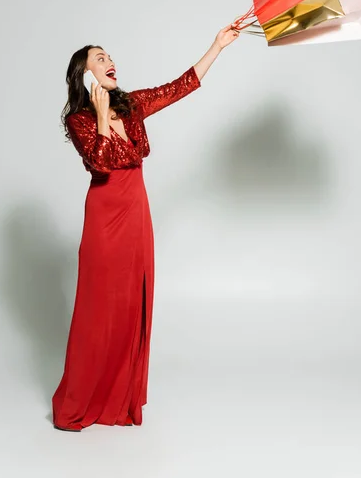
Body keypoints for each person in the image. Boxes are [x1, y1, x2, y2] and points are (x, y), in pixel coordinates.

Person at [51, 23, 240, 431]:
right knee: (98, 307)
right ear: (85, 75)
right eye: (99, 59)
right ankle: (82, 398)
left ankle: (119, 396)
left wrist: (217, 46)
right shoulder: (80, 119)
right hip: (105, 215)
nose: (110, 61)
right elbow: (100, 163)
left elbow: (179, 87)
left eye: (110, 55)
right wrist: (101, 116)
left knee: (130, 303)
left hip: (137, 211)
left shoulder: (132, 105)